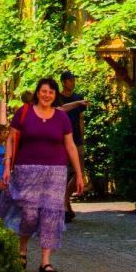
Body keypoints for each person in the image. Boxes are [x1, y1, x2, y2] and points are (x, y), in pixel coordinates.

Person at [0, 76, 84, 272]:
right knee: (29, 214)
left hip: (56, 172)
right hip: (26, 171)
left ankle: (45, 260)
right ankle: (22, 247)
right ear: (38, 92)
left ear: (55, 95)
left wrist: (79, 174)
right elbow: (11, 139)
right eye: (44, 91)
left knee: (51, 215)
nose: (47, 95)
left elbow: (70, 145)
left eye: (51, 92)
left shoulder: (61, 117)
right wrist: (7, 164)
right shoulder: (24, 112)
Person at [55, 71, 87, 222]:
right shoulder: (57, 98)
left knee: (79, 172)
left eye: (74, 80)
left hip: (76, 140)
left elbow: (80, 119)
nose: (73, 82)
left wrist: (82, 138)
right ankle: (65, 205)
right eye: (70, 80)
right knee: (63, 173)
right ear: (63, 82)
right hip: (61, 141)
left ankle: (65, 199)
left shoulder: (78, 97)